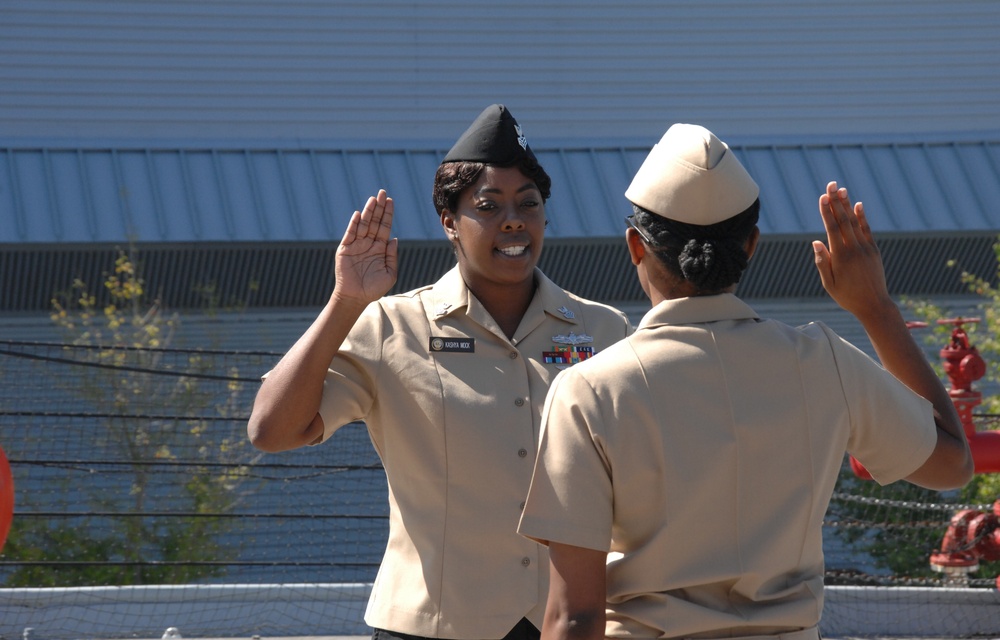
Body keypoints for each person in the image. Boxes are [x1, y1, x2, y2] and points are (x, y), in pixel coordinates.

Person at [516, 123, 974, 640]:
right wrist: (876, 309)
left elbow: (574, 616)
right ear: (751, 245)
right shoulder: (824, 362)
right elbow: (952, 463)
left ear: (636, 247)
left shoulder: (590, 390)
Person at [247, 104, 632, 640]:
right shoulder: (391, 326)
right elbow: (272, 430)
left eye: (529, 204)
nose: (514, 220)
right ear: (449, 222)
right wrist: (345, 301)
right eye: (488, 206)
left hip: (569, 623)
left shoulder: (604, 330)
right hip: (430, 629)